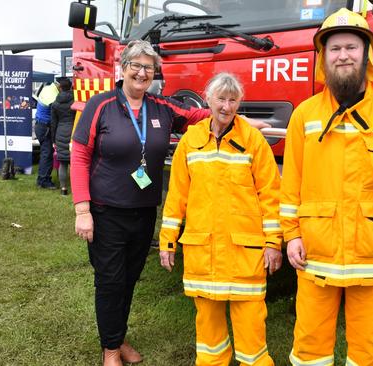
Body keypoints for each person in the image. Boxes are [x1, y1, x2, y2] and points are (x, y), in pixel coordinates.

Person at [71, 40, 268, 366]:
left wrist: (240, 122)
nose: (141, 72)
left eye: (148, 67)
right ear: (123, 68)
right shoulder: (100, 105)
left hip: (144, 211)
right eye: (135, 65)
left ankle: (117, 338)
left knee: (130, 279)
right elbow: (79, 155)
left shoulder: (160, 107)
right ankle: (110, 350)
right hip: (106, 211)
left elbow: (199, 113)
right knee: (110, 281)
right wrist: (82, 209)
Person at [280, 8, 373, 366]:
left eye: (351, 47)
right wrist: (291, 235)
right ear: (323, 58)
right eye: (335, 48)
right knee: (310, 345)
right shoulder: (305, 115)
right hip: (315, 251)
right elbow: (291, 181)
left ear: (367, 55)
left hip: (372, 252)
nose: (343, 55)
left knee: (370, 349)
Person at [159, 73, 282, 366]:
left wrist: (274, 243)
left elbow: (271, 195)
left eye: (232, 100)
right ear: (208, 100)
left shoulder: (253, 140)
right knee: (208, 330)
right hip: (204, 251)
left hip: (245, 253)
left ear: (239, 103)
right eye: (220, 99)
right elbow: (177, 196)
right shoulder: (191, 141)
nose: (226, 106)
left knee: (251, 330)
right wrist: (167, 242)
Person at [50, 77, 74, 195]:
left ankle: (64, 189)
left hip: (60, 133)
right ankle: (77, 189)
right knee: (75, 163)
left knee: (63, 163)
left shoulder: (55, 104)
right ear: (70, 87)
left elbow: (53, 123)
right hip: (73, 133)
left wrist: (53, 139)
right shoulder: (75, 101)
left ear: (60, 88)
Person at [34, 82, 59, 189]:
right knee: (47, 154)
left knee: (46, 153)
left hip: (40, 125)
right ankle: (44, 180)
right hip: (45, 127)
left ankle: (42, 179)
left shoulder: (47, 88)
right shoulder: (53, 94)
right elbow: (57, 110)